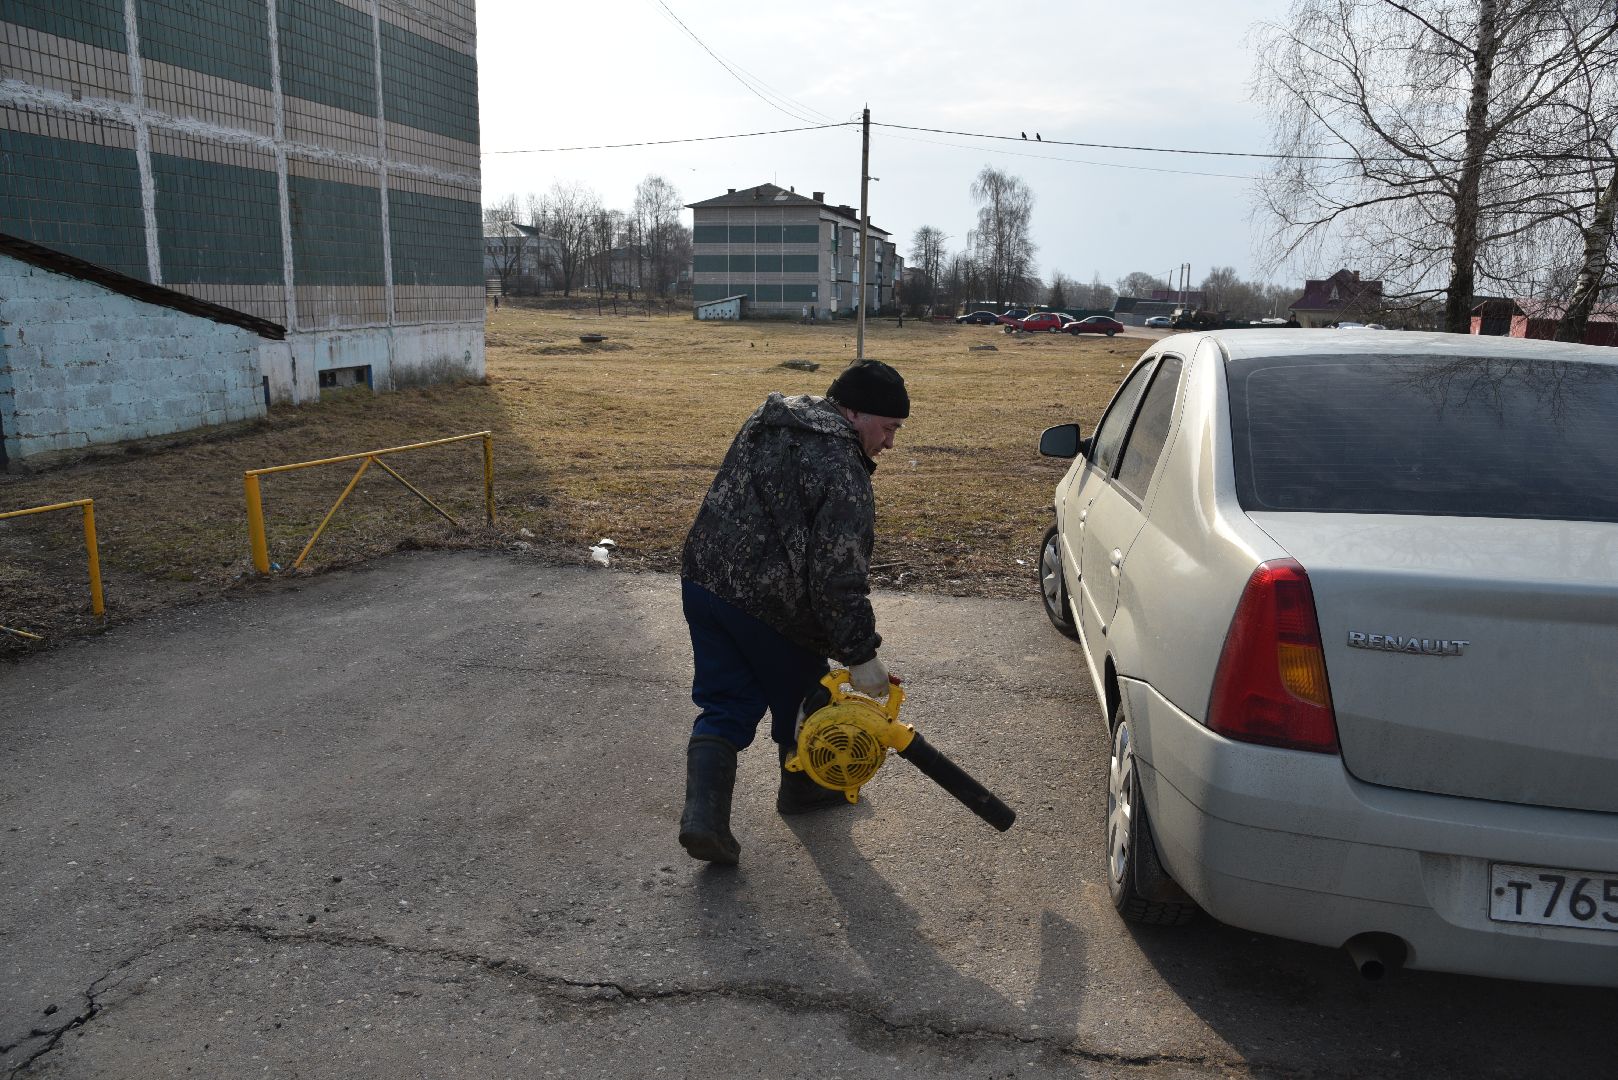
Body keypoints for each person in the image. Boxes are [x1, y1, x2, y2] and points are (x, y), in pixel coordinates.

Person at [677, 359, 909, 865]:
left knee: (724, 703)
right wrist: (860, 654)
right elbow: (837, 578)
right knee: (809, 702)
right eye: (888, 428)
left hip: (704, 581)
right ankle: (803, 792)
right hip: (769, 605)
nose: (890, 443)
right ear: (853, 413)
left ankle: (704, 818)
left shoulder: (772, 421)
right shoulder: (843, 472)